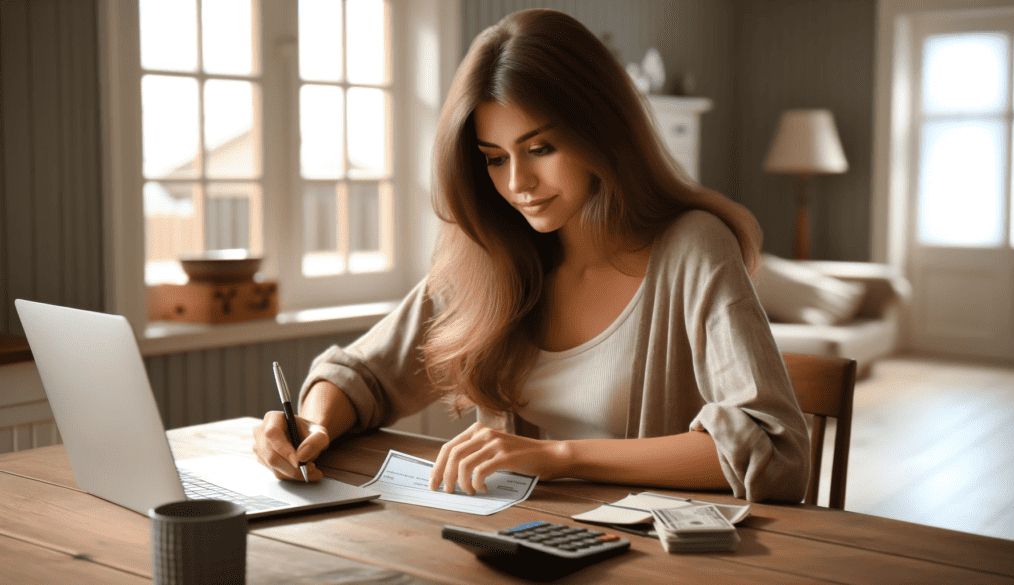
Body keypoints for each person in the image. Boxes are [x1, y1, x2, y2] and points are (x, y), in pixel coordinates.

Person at [253, 9, 810, 503]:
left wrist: (559, 457)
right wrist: (312, 423)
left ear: (601, 132)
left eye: (540, 148)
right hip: (516, 547)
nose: (519, 183)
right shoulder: (490, 258)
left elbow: (775, 449)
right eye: (494, 158)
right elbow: (363, 375)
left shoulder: (692, 247)